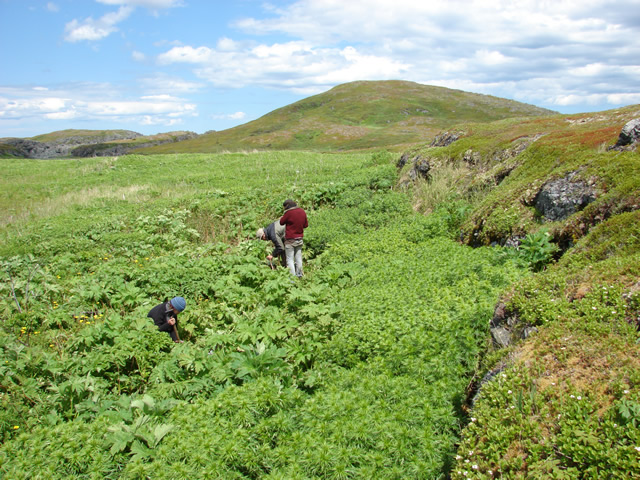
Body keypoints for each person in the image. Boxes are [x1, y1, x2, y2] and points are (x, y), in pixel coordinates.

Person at [279, 199, 308, 277]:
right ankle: (300, 275)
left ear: (286, 206)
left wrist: (283, 215)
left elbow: (281, 222)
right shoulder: (302, 211)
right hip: (300, 238)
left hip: (290, 240)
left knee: (290, 260)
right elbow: (306, 225)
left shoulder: (288, 213)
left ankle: (292, 279)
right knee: (298, 258)